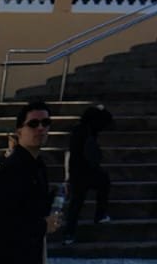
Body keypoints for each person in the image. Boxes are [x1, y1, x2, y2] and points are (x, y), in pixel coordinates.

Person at [0, 99, 58, 264]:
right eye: (33, 124)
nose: (41, 128)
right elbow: (3, 223)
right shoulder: (12, 169)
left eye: (46, 123)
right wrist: (43, 226)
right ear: (19, 131)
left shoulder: (38, 165)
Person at [61, 102, 114, 242]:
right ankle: (99, 215)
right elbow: (109, 120)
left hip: (77, 172)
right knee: (103, 183)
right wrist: (102, 109)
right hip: (86, 171)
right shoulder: (88, 130)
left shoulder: (79, 130)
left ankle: (69, 234)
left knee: (76, 203)